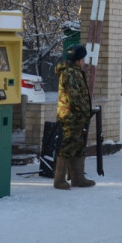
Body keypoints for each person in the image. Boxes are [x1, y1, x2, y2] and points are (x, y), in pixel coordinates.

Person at [53, 43, 96, 190]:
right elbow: (74, 96)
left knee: (77, 146)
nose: (84, 61)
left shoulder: (73, 71)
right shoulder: (70, 73)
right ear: (78, 59)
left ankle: (78, 178)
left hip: (75, 116)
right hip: (71, 116)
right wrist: (86, 110)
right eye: (83, 59)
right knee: (68, 146)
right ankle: (59, 180)